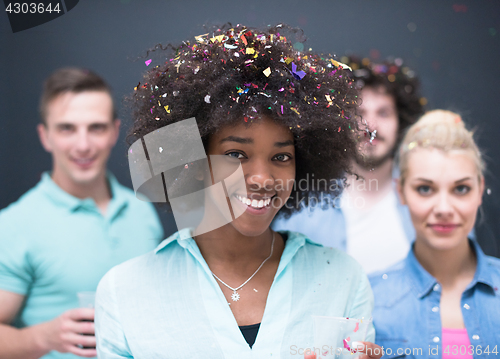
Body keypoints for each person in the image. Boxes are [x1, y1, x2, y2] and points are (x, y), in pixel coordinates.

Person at [95, 24, 382, 359]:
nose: (261, 178)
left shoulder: (341, 279)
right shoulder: (125, 291)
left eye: (281, 156)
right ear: (195, 161)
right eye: (235, 154)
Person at [0, 68, 164, 359]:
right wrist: (42, 337)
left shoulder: (142, 211)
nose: (83, 145)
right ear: (45, 136)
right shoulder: (14, 226)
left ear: (114, 132)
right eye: (67, 129)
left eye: (96, 128)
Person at [273, 56, 424, 274]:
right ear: (340, 122)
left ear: (400, 121)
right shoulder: (303, 211)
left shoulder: (430, 202)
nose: (370, 125)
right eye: (359, 113)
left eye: (383, 113)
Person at [369, 110, 500, 358]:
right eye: (425, 189)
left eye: (461, 189)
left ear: (480, 189)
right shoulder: (368, 299)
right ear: (402, 191)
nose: (443, 209)